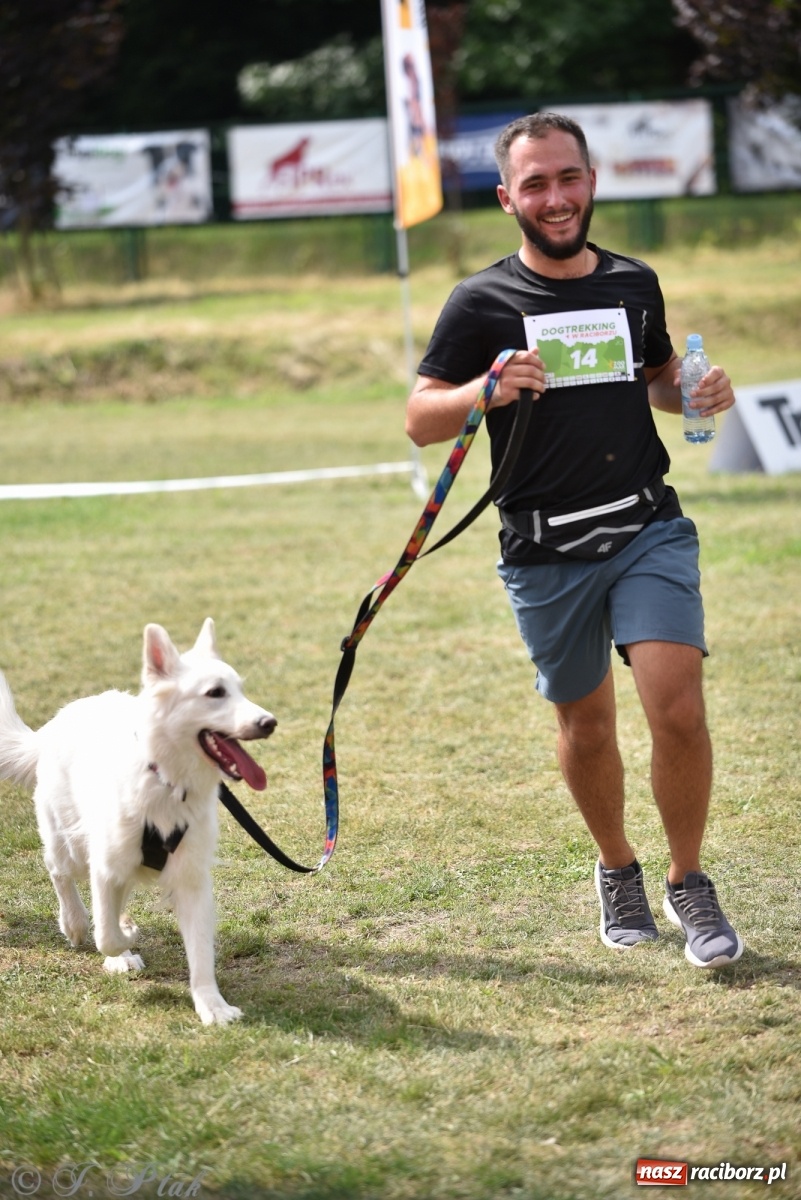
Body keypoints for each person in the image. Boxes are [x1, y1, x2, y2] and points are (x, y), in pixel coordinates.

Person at [406, 112, 743, 969]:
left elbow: (656, 378)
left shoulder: (633, 282)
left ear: (590, 181)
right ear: (506, 198)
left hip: (645, 526)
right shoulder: (480, 302)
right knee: (587, 728)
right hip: (543, 548)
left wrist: (692, 392)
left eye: (567, 178)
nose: (554, 198)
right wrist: (484, 390)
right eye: (535, 184)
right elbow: (419, 418)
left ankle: (688, 880)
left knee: (677, 708)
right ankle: (617, 869)